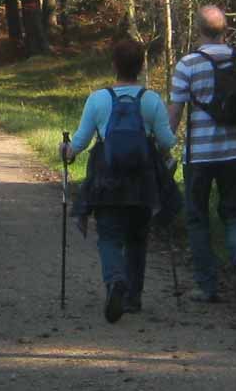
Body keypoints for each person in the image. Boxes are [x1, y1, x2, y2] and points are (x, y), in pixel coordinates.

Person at [60, 38, 176, 323]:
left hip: (106, 178)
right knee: (138, 238)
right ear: (141, 66)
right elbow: (167, 142)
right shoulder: (151, 99)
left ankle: (115, 280)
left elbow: (80, 142)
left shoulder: (98, 99)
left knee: (109, 236)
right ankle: (133, 298)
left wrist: (66, 151)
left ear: (114, 65)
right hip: (142, 181)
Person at [168, 5, 236, 304]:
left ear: (198, 30)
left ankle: (207, 287)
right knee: (235, 213)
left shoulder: (188, 64)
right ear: (226, 30)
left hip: (199, 156)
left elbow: (174, 115)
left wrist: (162, 149)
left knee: (197, 219)